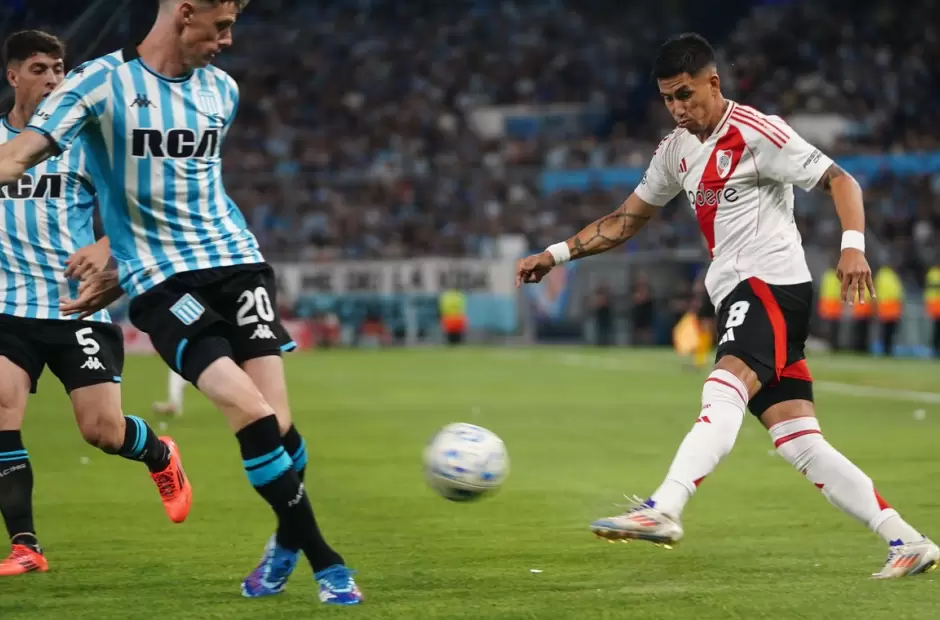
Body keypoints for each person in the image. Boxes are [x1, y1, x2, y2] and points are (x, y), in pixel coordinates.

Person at [515, 33, 938, 579]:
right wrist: (556, 254)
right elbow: (626, 219)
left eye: (686, 94)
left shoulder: (758, 133)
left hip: (770, 286)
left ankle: (664, 507)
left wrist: (852, 247)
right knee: (799, 441)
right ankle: (905, 539)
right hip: (739, 293)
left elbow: (841, 180)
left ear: (713, 83)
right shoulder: (675, 150)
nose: (678, 108)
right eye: (668, 98)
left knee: (723, 385)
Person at [0, 1, 361, 604]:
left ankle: (285, 542)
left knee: (279, 423)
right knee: (248, 411)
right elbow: (17, 156)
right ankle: (327, 561)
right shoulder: (98, 84)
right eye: (220, 27)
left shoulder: (222, 91)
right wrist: (128, 262)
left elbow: (183, 190)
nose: (226, 41)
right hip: (164, 287)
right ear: (184, 13)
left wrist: (112, 251)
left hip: (236, 263)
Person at [0, 30, 191, 577]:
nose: (54, 79)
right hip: (8, 309)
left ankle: (159, 454)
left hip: (74, 308)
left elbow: (139, 209)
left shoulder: (87, 143)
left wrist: (105, 248)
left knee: (101, 432)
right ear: (13, 76)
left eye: (59, 68)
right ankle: (26, 546)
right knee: (2, 412)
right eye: (40, 68)